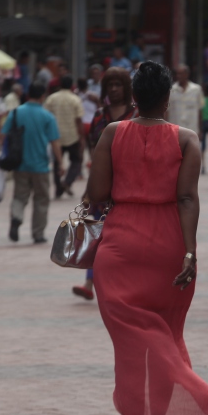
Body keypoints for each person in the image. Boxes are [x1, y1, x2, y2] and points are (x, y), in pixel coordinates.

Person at [87, 60, 208, 415]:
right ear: (167, 99)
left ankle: (186, 401)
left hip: (120, 244)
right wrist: (190, 252)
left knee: (133, 340)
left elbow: (96, 192)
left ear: (133, 97)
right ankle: (179, 406)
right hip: (169, 244)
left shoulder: (112, 133)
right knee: (167, 333)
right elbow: (188, 198)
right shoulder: (187, 139)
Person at [72, 67, 134, 302]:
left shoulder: (135, 115)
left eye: (119, 85)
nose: (114, 89)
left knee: (124, 238)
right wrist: (89, 190)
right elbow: (93, 153)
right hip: (101, 185)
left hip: (129, 187)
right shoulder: (99, 115)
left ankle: (122, 285)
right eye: (110, 85)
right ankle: (90, 282)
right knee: (97, 234)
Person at [4, 83, 63, 244]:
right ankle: (38, 233)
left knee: (19, 196)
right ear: (43, 96)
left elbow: (5, 135)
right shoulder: (47, 116)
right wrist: (60, 163)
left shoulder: (15, 113)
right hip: (40, 165)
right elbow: (54, 142)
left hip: (19, 164)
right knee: (41, 199)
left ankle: (16, 217)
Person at [44, 76, 84, 198]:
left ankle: (58, 189)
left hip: (55, 136)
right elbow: (79, 120)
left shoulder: (51, 98)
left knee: (57, 163)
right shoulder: (75, 99)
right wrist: (81, 136)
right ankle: (67, 182)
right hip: (72, 135)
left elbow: (46, 116)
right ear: (72, 85)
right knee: (77, 161)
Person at [168, 64, 204, 134]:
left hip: (192, 130)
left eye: (181, 74)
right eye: (177, 74)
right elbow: (167, 111)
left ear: (187, 74)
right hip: (174, 130)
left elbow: (200, 110)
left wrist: (200, 129)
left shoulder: (196, 89)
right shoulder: (171, 90)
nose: (178, 76)